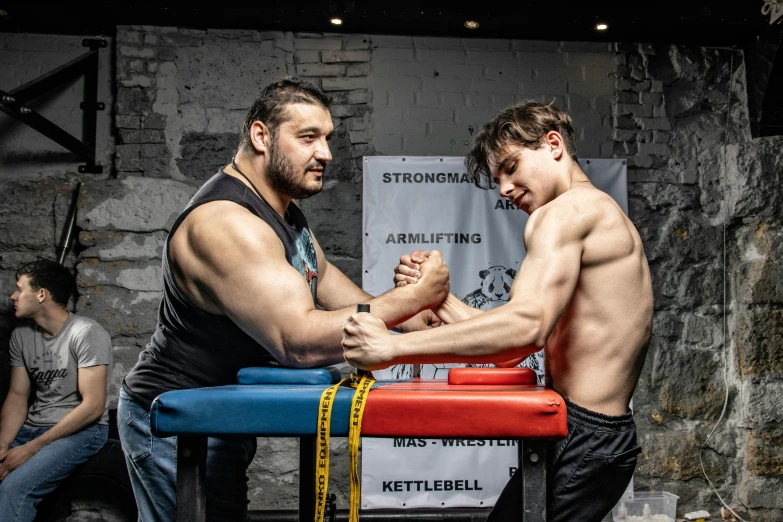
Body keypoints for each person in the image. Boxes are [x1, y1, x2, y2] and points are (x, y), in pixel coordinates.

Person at [117, 76, 447, 522]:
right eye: (308, 137)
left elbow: (323, 279)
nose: (325, 153)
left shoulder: (282, 212)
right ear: (260, 136)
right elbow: (298, 341)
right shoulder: (227, 224)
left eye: (327, 138)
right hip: (174, 418)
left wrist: (406, 316)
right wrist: (406, 300)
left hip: (219, 416)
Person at [342, 101, 654, 522]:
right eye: (497, 179)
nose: (504, 189)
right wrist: (441, 301)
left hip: (587, 436)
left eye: (511, 167)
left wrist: (391, 349)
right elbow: (515, 339)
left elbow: (524, 328)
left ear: (554, 144)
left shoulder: (565, 212)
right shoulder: (593, 211)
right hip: (592, 434)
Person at [0, 260, 113, 522]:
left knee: (13, 490)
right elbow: (17, 397)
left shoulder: (86, 333)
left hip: (82, 431)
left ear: (41, 294)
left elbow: (93, 406)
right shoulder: (22, 335)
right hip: (32, 428)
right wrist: (3, 445)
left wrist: (31, 448)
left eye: (19, 289)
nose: (13, 296)